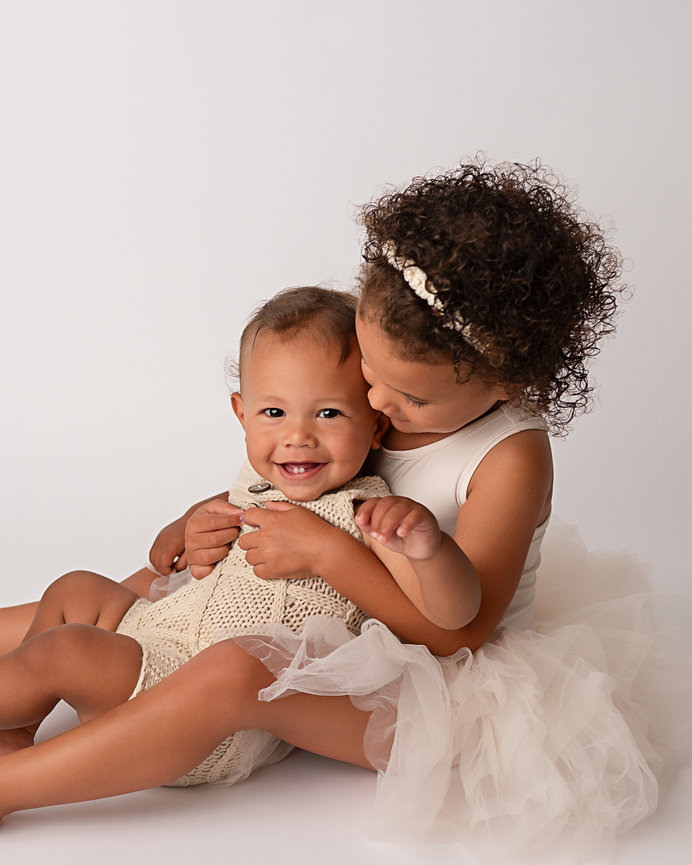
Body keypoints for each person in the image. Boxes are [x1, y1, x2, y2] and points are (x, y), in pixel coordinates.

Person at [1, 160, 689, 862]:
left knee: (238, 670)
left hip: (433, 686)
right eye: (368, 376)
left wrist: (329, 553)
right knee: (120, 593)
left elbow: (462, 635)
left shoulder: (508, 456)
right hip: (314, 604)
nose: (380, 408)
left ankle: (12, 781)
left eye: (410, 399)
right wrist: (210, 521)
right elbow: (295, 467)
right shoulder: (392, 336)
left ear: (505, 379)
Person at [0, 285, 482, 779]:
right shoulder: (256, 483)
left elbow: (453, 615)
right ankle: (16, 731)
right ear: (241, 414)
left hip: (199, 708)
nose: (298, 436)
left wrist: (430, 550)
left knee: (67, 649)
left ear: (375, 426)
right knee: (75, 589)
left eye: (329, 413)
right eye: (274, 413)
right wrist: (183, 531)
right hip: (158, 638)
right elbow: (172, 553)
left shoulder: (369, 512)